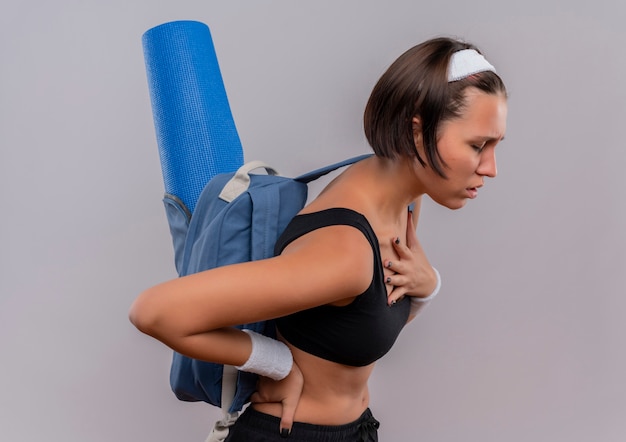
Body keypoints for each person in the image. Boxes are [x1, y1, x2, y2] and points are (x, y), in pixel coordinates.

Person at [129, 36, 507, 441]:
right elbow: (154, 311)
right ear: (418, 133)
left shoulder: (405, 198)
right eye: (477, 145)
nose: (491, 168)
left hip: (352, 429)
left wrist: (428, 285)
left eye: (496, 145)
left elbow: (367, 319)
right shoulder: (344, 253)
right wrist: (277, 363)